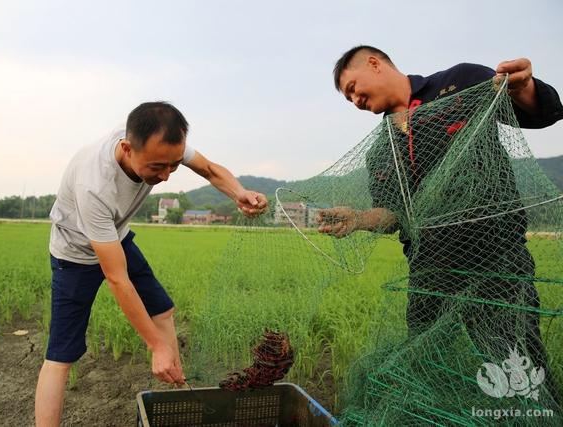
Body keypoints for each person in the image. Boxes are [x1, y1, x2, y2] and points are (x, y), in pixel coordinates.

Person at [318, 45, 563, 403]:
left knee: (518, 365)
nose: (354, 100)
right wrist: (358, 219)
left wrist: (522, 87)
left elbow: (539, 112)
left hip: (494, 258)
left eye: (353, 87)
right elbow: (392, 214)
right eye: (348, 98)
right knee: (426, 367)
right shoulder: (380, 147)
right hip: (429, 271)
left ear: (374, 63)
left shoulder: (458, 82)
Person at [35, 101, 268, 426]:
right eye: (158, 167)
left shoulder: (160, 141)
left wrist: (239, 193)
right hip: (74, 254)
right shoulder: (95, 185)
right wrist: (155, 346)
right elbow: (117, 279)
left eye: (173, 165)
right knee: (61, 357)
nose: (166, 175)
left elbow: (210, 170)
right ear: (127, 148)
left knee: (163, 310)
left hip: (115, 236)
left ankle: (178, 394)